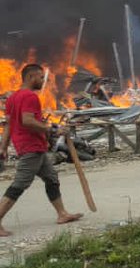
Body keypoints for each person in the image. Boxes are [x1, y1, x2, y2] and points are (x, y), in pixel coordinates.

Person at [0, 64, 83, 237]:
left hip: (32, 146)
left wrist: (4, 147)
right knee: (19, 184)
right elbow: (27, 121)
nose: (42, 80)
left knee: (51, 178)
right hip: (31, 147)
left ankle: (62, 214)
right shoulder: (30, 97)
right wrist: (53, 130)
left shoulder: (13, 98)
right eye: (39, 77)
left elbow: (9, 125)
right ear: (30, 77)